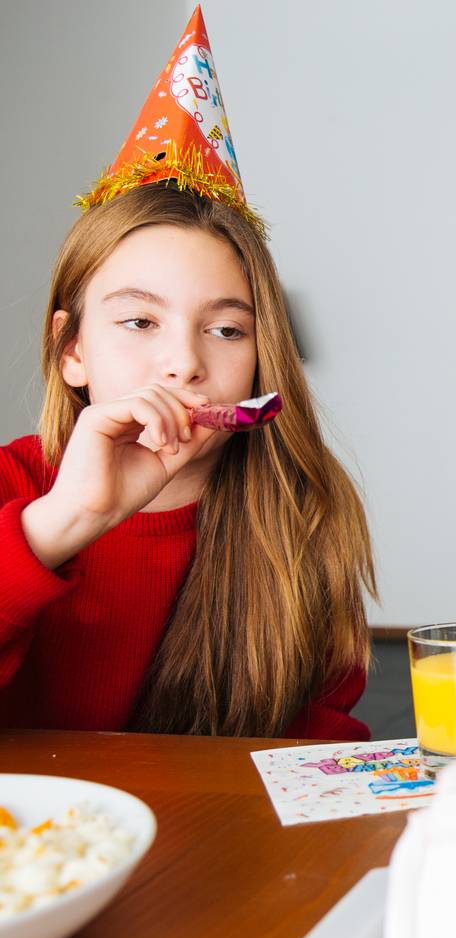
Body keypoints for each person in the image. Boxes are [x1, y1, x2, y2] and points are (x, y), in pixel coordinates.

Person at [1, 9, 375, 740]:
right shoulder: (15, 490)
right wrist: (60, 526)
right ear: (70, 348)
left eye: (227, 329)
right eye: (139, 321)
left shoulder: (302, 518)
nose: (185, 362)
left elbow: (315, 755)